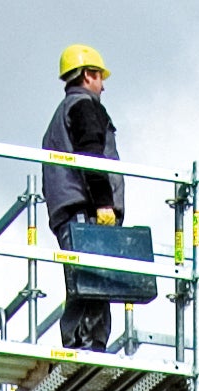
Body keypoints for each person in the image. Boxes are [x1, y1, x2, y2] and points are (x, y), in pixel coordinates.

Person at [43, 44, 123, 351]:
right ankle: (89, 345)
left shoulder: (61, 115)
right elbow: (91, 155)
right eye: (100, 77)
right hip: (86, 207)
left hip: (68, 209)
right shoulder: (85, 107)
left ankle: (79, 342)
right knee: (93, 279)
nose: (104, 85)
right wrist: (104, 202)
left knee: (81, 277)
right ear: (89, 75)